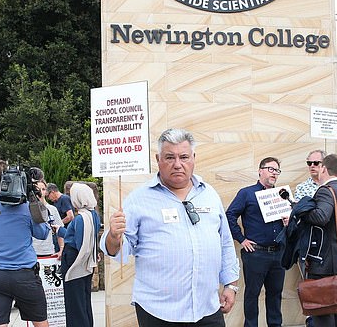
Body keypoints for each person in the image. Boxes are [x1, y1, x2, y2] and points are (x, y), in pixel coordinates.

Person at [101, 128, 240, 326]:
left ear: (193, 158)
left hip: (207, 308)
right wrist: (113, 238)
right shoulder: (139, 199)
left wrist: (231, 285)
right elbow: (120, 250)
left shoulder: (209, 194)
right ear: (158, 159)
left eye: (184, 157)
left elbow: (225, 243)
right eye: (169, 157)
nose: (177, 164)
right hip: (158, 312)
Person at [0, 159, 50, 327]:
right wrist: (35, 200)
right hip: (25, 274)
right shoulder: (25, 208)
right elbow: (43, 233)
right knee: (40, 322)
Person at [226, 157, 285, 327]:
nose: (274, 173)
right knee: (252, 295)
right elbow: (230, 215)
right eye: (271, 169)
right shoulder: (247, 193)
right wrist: (241, 239)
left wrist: (288, 222)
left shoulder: (281, 194)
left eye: (277, 171)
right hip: (255, 253)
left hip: (278, 253)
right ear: (260, 170)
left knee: (276, 295)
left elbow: (288, 223)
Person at [301, 154, 337, 327]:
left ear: (324, 168)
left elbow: (321, 217)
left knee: (323, 312)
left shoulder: (326, 190)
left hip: (323, 259)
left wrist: (300, 210)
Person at [55, 183, 100, 327]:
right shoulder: (93, 214)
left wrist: (60, 231)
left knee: (74, 304)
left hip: (75, 261)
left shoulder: (82, 218)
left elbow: (79, 244)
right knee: (83, 301)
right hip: (86, 262)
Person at [32, 180, 65, 259]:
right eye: (38, 189)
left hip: (48, 251)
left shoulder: (52, 209)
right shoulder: (27, 209)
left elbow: (59, 229)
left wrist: (62, 248)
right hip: (31, 252)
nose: (40, 192)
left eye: (43, 189)